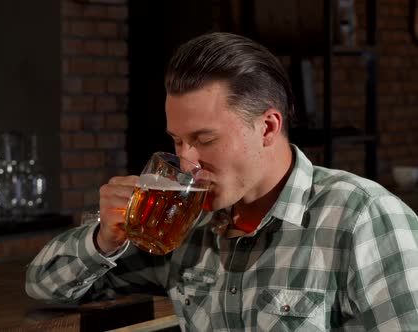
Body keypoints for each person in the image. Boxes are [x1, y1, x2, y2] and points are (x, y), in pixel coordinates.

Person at [26, 32, 418, 331]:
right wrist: (104, 239)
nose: (186, 162)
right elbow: (47, 288)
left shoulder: (362, 217)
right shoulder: (183, 225)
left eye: (204, 140)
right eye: (177, 140)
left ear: (267, 127)